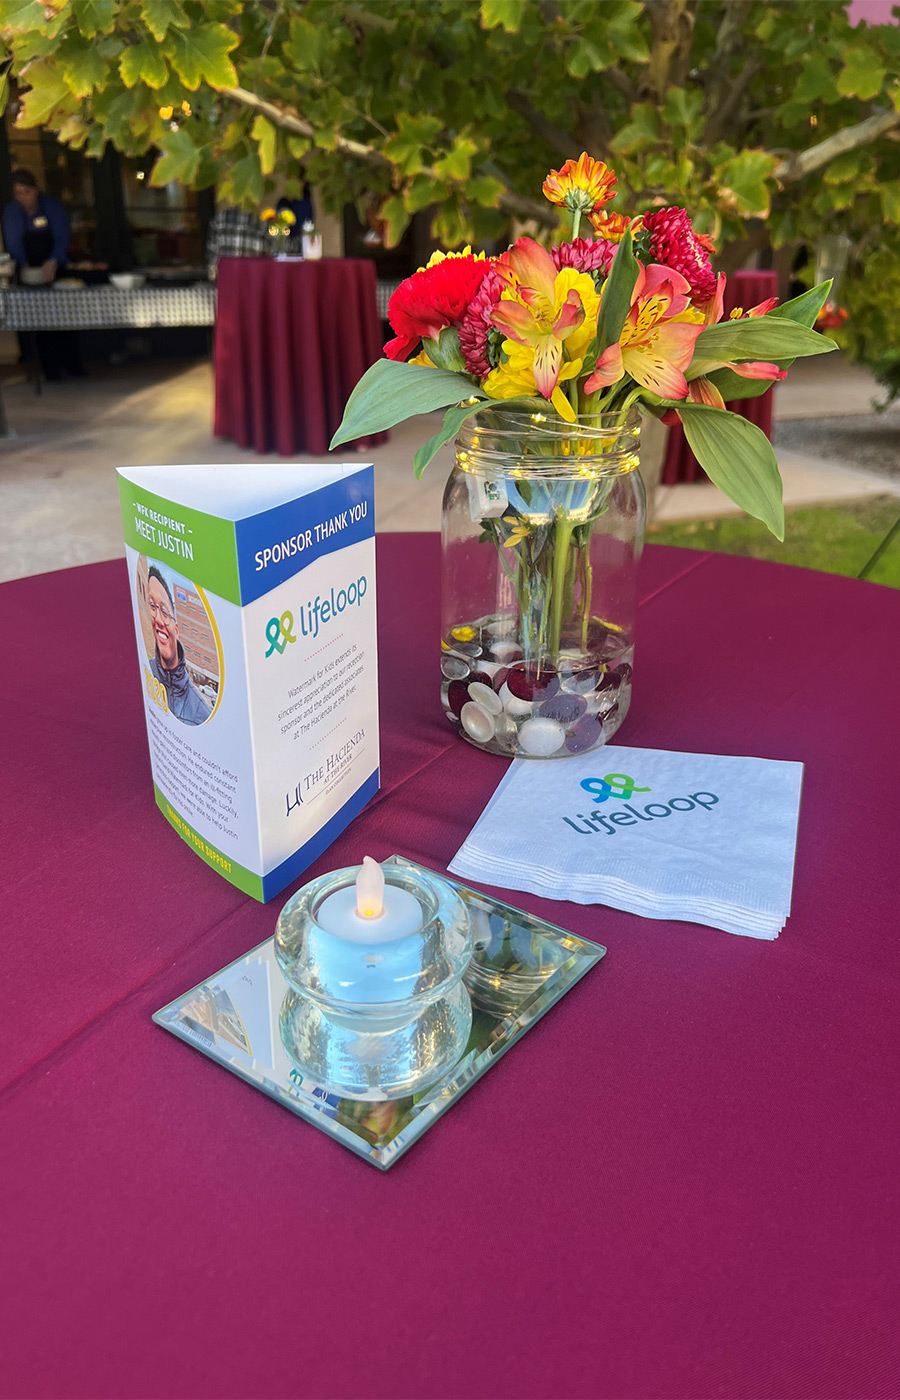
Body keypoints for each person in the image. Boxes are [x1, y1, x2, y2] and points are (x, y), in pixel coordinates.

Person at [1, 168, 84, 379]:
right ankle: (49, 370)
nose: (24, 198)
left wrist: (54, 260)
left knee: (66, 319)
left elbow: (62, 235)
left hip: (56, 268)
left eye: (27, 192)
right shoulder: (12, 212)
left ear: (36, 190)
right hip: (29, 272)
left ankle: (73, 366)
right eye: (19, 193)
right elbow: (13, 241)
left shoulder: (52, 206)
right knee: (39, 322)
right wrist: (25, 265)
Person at [146, 566, 212, 725]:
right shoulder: (148, 669)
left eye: (165, 612)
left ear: (176, 630)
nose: (159, 620)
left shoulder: (201, 714)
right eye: (153, 607)